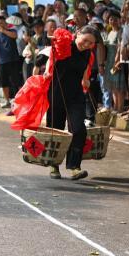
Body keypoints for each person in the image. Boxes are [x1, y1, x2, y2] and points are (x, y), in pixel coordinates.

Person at [47, 26, 99, 180]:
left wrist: (85, 79)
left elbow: (84, 68)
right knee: (55, 129)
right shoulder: (64, 44)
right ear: (77, 34)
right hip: (56, 92)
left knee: (78, 129)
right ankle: (53, 165)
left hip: (75, 95)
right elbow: (48, 52)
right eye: (85, 40)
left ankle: (74, 166)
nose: (87, 44)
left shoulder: (88, 53)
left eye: (91, 43)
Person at [0, 15, 21, 109]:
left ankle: (18, 101)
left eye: (1, 23)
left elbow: (15, 36)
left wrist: (4, 31)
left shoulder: (12, 31)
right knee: (4, 82)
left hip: (13, 60)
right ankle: (7, 101)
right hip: (2, 61)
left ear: (6, 24)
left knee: (15, 81)